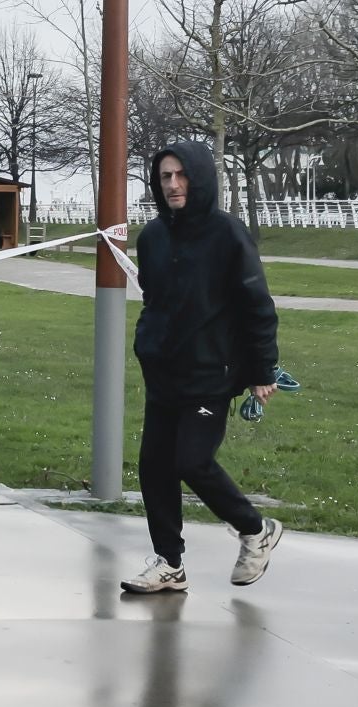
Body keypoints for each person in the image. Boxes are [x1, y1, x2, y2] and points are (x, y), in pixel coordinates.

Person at [121, 141, 284, 594]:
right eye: (165, 177)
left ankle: (256, 530)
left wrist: (262, 369)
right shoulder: (152, 237)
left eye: (180, 175)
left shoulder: (228, 235)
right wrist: (147, 341)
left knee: (191, 461)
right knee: (154, 468)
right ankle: (169, 564)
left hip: (211, 374)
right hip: (163, 374)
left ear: (199, 177)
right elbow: (154, 298)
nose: (172, 184)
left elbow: (257, 305)